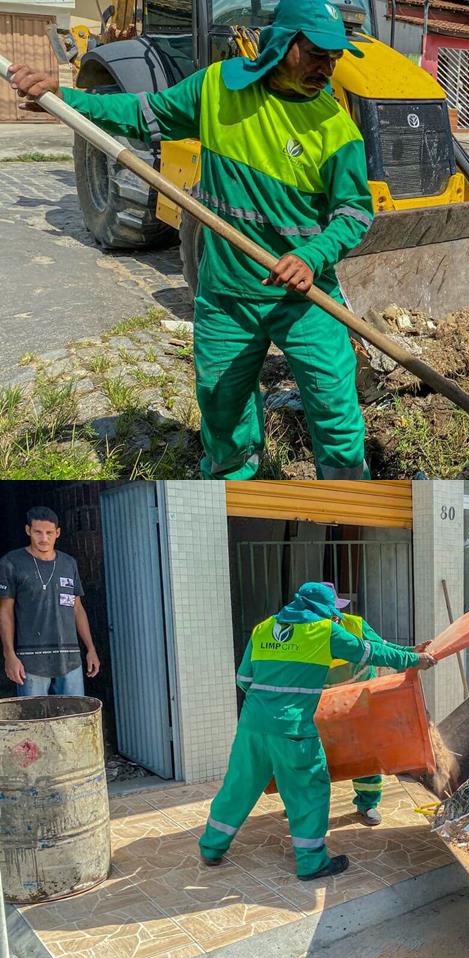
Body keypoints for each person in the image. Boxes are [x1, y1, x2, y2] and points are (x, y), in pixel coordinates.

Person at [6, 0, 375, 480]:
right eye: (317, 54)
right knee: (222, 406)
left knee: (334, 406)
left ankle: (348, 500)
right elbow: (144, 114)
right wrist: (67, 99)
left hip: (304, 295)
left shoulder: (336, 130)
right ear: (283, 45)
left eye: (335, 58)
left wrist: (311, 255)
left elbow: (354, 212)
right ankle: (234, 485)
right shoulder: (219, 88)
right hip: (227, 294)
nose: (327, 68)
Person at [198, 582, 435, 880]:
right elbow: (371, 653)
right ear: (324, 609)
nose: (335, 615)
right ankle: (311, 862)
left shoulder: (263, 628)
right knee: (308, 789)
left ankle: (211, 847)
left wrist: (271, 699)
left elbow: (244, 678)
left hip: (252, 724)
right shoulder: (325, 631)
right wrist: (414, 660)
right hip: (293, 727)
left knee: (239, 785)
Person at [320, 582, 418, 827]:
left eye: (336, 610)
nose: (334, 615)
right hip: (325, 706)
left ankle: (367, 803)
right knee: (319, 756)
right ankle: (304, 804)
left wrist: (410, 654)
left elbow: (381, 648)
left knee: (365, 751)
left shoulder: (354, 624)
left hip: (361, 700)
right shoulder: (307, 634)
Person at [0, 506, 100, 696]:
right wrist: (9, 655)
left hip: (69, 659)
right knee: (35, 721)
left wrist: (91, 649)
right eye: (38, 532)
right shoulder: (11, 563)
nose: (44, 538)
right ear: (28, 530)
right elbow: (5, 612)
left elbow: (77, 608)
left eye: (49, 533)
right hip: (31, 661)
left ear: (58, 533)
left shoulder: (68, 563)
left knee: (74, 718)